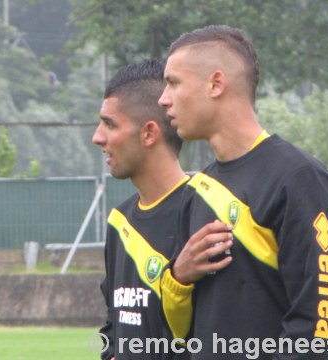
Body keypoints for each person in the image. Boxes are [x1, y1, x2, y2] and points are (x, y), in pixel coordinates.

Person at [157, 25, 328, 359]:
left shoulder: (298, 178)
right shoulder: (197, 190)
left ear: (216, 84)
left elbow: (318, 325)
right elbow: (180, 336)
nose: (163, 99)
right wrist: (178, 278)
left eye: (173, 82)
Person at [94, 59, 189, 360]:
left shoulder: (205, 213)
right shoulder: (119, 222)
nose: (97, 137)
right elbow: (115, 325)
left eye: (109, 123)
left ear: (149, 133)